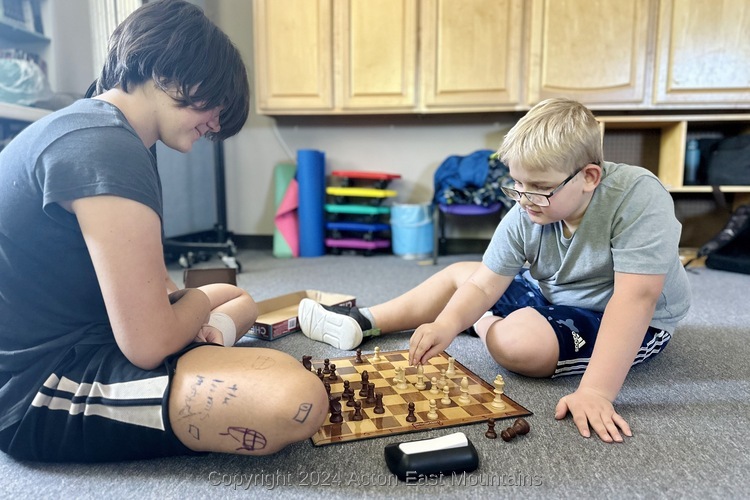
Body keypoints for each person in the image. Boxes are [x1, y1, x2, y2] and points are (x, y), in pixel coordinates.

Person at [0, 0, 327, 462]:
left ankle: (202, 345)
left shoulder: (104, 130)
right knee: (295, 398)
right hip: (38, 390)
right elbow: (149, 344)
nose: (215, 123)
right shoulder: (105, 145)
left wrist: (190, 310)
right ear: (164, 70)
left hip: (96, 334)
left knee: (241, 298)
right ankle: (203, 350)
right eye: (214, 101)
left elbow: (155, 285)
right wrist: (191, 309)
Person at [299, 97, 691, 443]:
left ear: (589, 177)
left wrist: (597, 392)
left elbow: (636, 298)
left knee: (518, 345)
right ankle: (364, 320)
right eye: (515, 184)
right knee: (460, 277)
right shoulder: (528, 205)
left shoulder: (638, 196)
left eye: (537, 186)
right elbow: (485, 281)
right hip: (552, 292)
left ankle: (485, 324)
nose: (523, 199)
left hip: (619, 313)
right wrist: (446, 326)